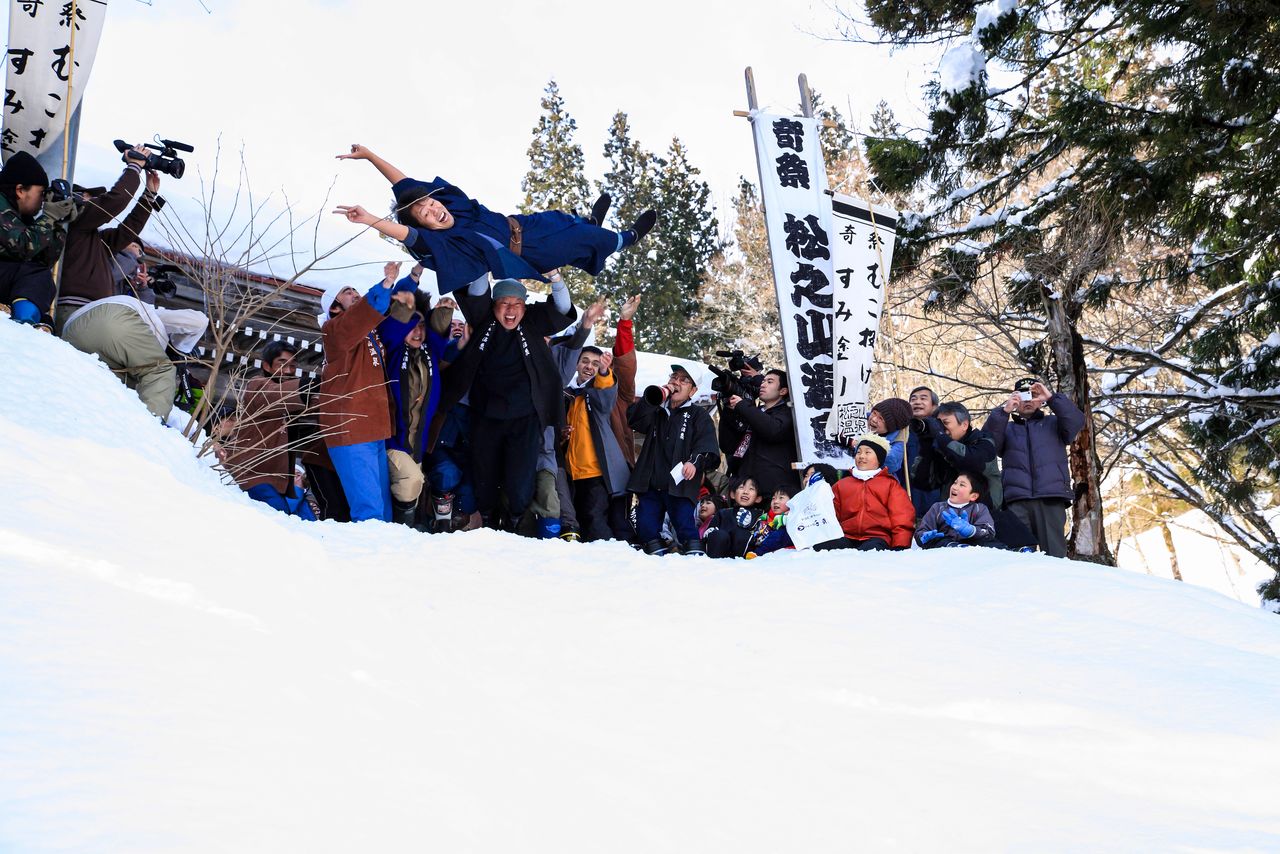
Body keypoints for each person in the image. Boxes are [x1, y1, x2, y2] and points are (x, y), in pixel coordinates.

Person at [334, 144, 656, 294]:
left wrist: (371, 156)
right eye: (426, 215)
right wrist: (371, 219)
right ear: (426, 227)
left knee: (566, 221)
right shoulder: (444, 241)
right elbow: (409, 235)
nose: (433, 210)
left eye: (430, 203)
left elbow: (405, 186)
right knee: (586, 240)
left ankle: (588, 222)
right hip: (527, 253)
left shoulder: (452, 206)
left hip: (522, 224)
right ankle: (627, 239)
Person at [430, 272, 577, 532]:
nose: (510, 310)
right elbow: (476, 290)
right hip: (485, 413)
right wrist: (482, 262)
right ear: (494, 305)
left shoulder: (533, 321)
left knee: (521, 479)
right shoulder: (483, 318)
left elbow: (563, 307)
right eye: (504, 304)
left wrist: (556, 278)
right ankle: (486, 518)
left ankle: (515, 519)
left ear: (524, 306)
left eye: (516, 304)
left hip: (525, 417)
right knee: (483, 473)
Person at [55, 144, 164, 331]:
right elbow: (113, 202)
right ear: (76, 198)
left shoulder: (95, 238)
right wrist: (134, 167)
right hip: (76, 310)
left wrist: (149, 195)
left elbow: (129, 229)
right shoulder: (74, 223)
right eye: (90, 197)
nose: (94, 201)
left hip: (97, 312)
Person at [378, 263, 455, 527]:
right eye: (413, 325)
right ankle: (403, 530)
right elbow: (393, 326)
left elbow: (438, 332)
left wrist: (443, 312)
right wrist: (411, 286)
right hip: (392, 440)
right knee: (412, 481)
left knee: (411, 485)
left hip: (417, 443)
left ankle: (397, 531)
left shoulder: (429, 353)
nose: (418, 332)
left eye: (422, 326)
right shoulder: (393, 349)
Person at [316, 275, 395, 523]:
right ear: (333, 306)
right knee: (369, 510)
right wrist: (384, 285)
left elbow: (373, 314)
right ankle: (370, 559)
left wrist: (412, 278)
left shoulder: (368, 332)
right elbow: (360, 315)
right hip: (350, 427)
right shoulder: (333, 331)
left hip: (374, 426)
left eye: (355, 290)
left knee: (383, 508)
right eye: (347, 291)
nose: (355, 293)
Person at [983, 378, 1086, 557]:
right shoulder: (1006, 428)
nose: (1028, 400)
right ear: (1015, 400)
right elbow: (988, 445)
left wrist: (1051, 398)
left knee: (1055, 556)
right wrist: (1004, 411)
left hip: (1050, 498)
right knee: (1018, 556)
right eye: (1023, 395)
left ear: (1041, 400)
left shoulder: (1054, 423)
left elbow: (1076, 420)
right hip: (1016, 500)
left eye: (1033, 395)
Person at [61, 294, 207, 419]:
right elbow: (200, 320)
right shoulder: (156, 319)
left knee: (120, 389)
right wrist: (180, 349)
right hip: (116, 318)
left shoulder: (138, 353)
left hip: (72, 331)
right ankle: (148, 430)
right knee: (160, 371)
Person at [627, 364, 721, 555]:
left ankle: (694, 555)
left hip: (680, 483)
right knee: (646, 524)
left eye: (684, 380)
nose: (676, 382)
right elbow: (633, 419)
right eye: (674, 377)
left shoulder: (698, 415)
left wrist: (693, 462)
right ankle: (655, 556)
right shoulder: (657, 410)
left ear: (693, 391)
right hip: (651, 481)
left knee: (684, 523)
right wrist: (654, 398)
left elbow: (707, 446)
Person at [223, 340, 315, 520]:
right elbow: (276, 395)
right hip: (252, 475)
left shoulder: (292, 396)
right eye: (282, 364)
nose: (288, 371)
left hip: (280, 482)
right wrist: (311, 385)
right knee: (280, 519)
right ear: (266, 365)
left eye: (293, 366)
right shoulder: (256, 386)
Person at [564, 346, 632, 542]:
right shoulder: (568, 394)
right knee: (579, 521)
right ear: (576, 364)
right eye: (585, 361)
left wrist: (604, 371)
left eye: (595, 364)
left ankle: (606, 559)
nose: (589, 367)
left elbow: (606, 394)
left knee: (595, 519)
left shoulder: (595, 394)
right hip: (572, 473)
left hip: (596, 472)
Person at [0, 151, 75, 325]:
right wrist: (48, 217)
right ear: (20, 190)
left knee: (39, 278)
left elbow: (43, 260)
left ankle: (31, 321)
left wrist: (57, 222)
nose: (43, 201)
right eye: (41, 193)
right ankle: (24, 323)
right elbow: (22, 247)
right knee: (33, 273)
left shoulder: (20, 217)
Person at [815, 434, 914, 551]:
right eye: (858, 452)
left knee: (871, 551)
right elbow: (830, 514)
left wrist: (900, 544)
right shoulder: (842, 485)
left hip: (877, 537)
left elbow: (902, 517)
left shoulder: (890, 485)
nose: (861, 456)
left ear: (879, 459)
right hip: (846, 536)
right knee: (822, 548)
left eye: (867, 453)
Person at [720, 368, 799, 500]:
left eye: (769, 382)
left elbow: (773, 430)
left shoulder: (788, 412)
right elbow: (728, 446)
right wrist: (729, 410)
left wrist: (743, 406)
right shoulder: (752, 412)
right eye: (762, 381)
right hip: (745, 490)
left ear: (783, 391)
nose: (763, 384)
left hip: (774, 493)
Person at [915, 472, 997, 549]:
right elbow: (922, 530)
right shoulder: (938, 507)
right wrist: (924, 536)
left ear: (973, 496)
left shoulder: (979, 509)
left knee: (991, 543)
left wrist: (972, 531)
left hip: (971, 546)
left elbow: (989, 532)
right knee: (940, 541)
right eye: (955, 483)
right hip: (944, 546)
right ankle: (953, 546)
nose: (955, 487)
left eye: (962, 485)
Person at [704, 476, 764, 559]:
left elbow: (761, 536)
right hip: (719, 554)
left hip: (742, 559)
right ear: (732, 494)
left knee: (742, 534)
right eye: (741, 487)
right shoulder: (722, 513)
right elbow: (710, 531)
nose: (745, 492)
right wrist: (709, 532)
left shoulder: (760, 516)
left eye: (751, 489)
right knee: (720, 535)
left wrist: (749, 526)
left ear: (758, 498)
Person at [906, 385, 943, 517]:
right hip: (908, 490)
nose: (917, 402)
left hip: (935, 490)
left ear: (934, 406)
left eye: (923, 398)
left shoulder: (942, 429)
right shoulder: (904, 430)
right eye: (913, 399)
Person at [866, 397, 913, 490]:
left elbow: (891, 463)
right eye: (874, 413)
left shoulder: (898, 440)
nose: (874, 419)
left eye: (881, 419)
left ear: (890, 427)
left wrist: (856, 444)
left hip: (878, 487)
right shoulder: (858, 419)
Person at [745, 485, 796, 558]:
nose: (775, 501)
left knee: (781, 533)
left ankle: (757, 554)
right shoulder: (764, 517)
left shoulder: (795, 517)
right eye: (773, 498)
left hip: (785, 552)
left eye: (781, 498)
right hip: (762, 551)